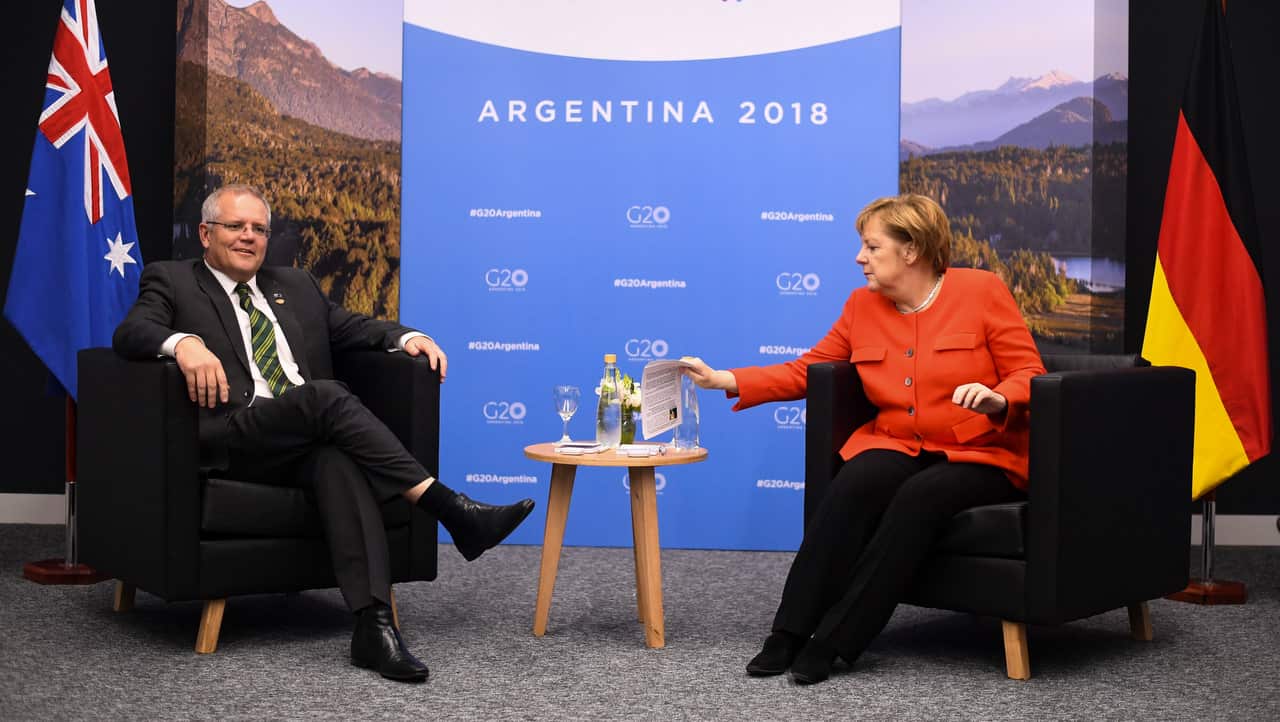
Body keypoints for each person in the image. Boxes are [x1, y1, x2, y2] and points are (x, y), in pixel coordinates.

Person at [113, 184, 535, 683]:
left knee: (336, 459)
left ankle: (373, 627)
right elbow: (131, 332)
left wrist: (407, 336)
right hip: (234, 435)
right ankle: (451, 510)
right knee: (325, 395)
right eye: (235, 227)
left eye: (259, 229)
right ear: (206, 234)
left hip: (302, 439)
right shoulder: (174, 280)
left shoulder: (294, 285)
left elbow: (351, 327)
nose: (249, 237)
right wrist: (183, 343)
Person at [684, 193, 1045, 685]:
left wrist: (998, 398)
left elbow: (1028, 371)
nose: (860, 258)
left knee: (924, 496)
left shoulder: (981, 291)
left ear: (911, 249)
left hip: (979, 451)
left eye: (872, 247)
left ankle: (836, 640)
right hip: (897, 442)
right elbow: (806, 369)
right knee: (855, 482)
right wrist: (724, 379)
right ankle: (789, 631)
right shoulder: (861, 306)